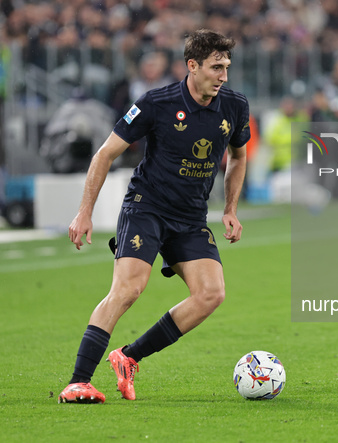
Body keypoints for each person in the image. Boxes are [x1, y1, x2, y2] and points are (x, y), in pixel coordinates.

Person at [58, 29, 250, 404]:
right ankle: (78, 381)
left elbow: (239, 157)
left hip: (191, 217)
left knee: (211, 294)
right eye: (216, 67)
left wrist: (230, 209)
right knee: (129, 288)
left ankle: (129, 357)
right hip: (147, 208)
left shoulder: (235, 106)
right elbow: (104, 155)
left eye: (226, 67)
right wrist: (84, 213)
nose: (223, 76)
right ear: (192, 66)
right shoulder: (155, 103)